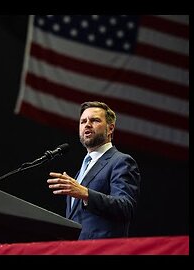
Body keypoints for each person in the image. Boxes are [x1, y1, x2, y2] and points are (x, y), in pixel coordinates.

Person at [47, 101, 140, 240]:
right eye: (83, 121)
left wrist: (85, 193)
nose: (87, 124)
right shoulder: (83, 169)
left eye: (95, 120)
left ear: (110, 128)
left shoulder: (121, 161)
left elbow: (126, 207)